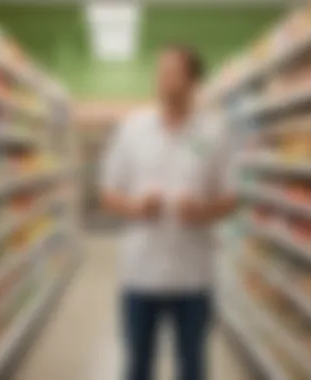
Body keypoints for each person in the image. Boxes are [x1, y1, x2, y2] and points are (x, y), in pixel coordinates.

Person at [102, 44, 235, 380]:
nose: (161, 81)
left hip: (193, 276)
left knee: (192, 367)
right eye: (159, 73)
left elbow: (232, 197)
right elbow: (107, 193)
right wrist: (135, 207)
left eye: (171, 74)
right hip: (140, 273)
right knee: (137, 366)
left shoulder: (216, 132)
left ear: (193, 81)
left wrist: (203, 210)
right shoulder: (132, 129)